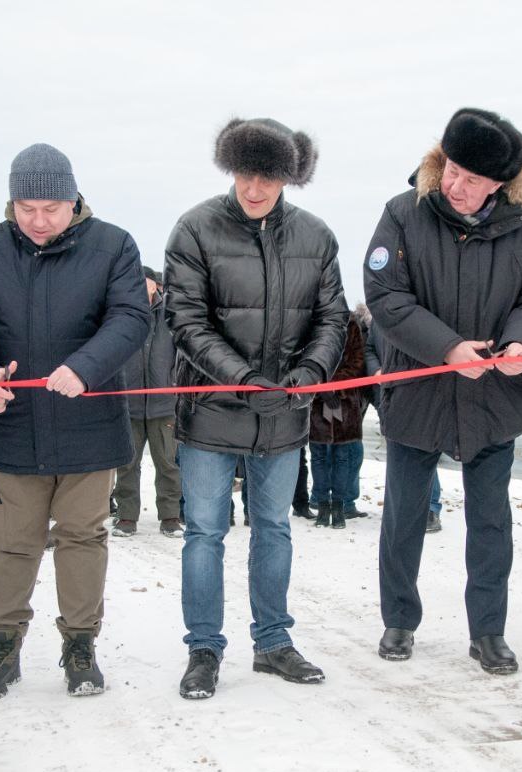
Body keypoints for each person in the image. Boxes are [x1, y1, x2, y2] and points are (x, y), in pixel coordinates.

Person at [364, 107, 522, 673]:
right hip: (418, 392)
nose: (454, 185)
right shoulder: (403, 213)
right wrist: (448, 349)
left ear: (500, 184)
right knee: (404, 515)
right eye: (450, 170)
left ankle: (488, 632)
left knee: (491, 521)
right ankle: (399, 619)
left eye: (471, 180)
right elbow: (386, 294)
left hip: (493, 399)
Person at [166, 116, 348, 700]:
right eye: (245, 173)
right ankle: (203, 647)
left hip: (284, 416)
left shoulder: (316, 237)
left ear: (288, 177)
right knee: (205, 533)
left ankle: (273, 642)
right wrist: (241, 377)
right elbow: (186, 320)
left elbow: (332, 318)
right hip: (212, 411)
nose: (254, 188)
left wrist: (310, 373)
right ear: (231, 169)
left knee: (273, 528)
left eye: (267, 176)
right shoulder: (194, 229)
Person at [0, 143, 148, 701]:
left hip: (87, 423)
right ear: (11, 202)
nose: (38, 221)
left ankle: (80, 643)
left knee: (82, 538)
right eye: (26, 208)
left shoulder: (113, 245)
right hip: (14, 423)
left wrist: (85, 368)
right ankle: (3, 644)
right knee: (11, 541)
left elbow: (131, 316)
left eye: (51, 208)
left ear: (74, 200)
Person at [112, 265, 183, 538]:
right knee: (128, 464)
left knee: (167, 463)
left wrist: (174, 382)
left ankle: (170, 517)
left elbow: (183, 352)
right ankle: (127, 517)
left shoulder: (171, 315)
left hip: (164, 405)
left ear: (154, 285)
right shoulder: (122, 315)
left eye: (145, 282)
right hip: (129, 404)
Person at [365, 319, 441, 533]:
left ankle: (431, 508)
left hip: (418, 397)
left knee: (424, 451)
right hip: (387, 398)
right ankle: (403, 510)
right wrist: (377, 371)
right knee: (400, 457)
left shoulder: (414, 317)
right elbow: (369, 348)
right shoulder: (378, 321)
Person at [308, 305, 368, 529]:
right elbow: (306, 355)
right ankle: (323, 505)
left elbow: (357, 362)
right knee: (319, 457)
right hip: (316, 401)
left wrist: (334, 387)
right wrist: (320, 387)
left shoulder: (351, 325)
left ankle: (340, 507)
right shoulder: (313, 321)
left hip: (345, 401)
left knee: (343, 456)